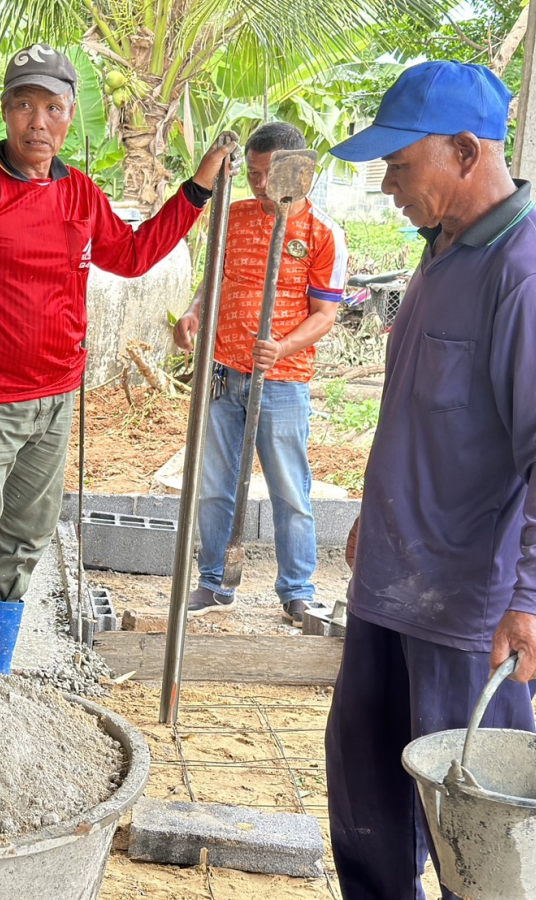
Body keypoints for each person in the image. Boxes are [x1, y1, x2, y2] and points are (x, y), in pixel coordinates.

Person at [0, 43, 239, 675]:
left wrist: (197, 188)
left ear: (70, 116)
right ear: (5, 111)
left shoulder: (79, 194)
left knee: (21, 546)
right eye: (24, 105)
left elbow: (130, 256)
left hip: (55, 400)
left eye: (52, 107)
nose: (37, 122)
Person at [323, 60, 536, 899]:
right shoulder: (442, 255)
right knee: (367, 811)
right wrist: (375, 510)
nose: (387, 183)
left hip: (468, 616)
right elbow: (418, 411)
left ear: (467, 151)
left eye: (400, 164)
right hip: (390, 586)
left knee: (479, 838)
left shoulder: (529, 274)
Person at [173, 122, 346, 628]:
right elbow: (215, 280)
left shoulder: (321, 232)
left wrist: (282, 346)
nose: (259, 186)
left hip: (283, 382)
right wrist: (194, 311)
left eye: (269, 175)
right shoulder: (235, 216)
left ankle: (297, 590)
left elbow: (324, 314)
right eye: (251, 174)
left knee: (290, 489)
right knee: (214, 484)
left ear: (299, 172)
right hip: (225, 373)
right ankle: (214, 580)